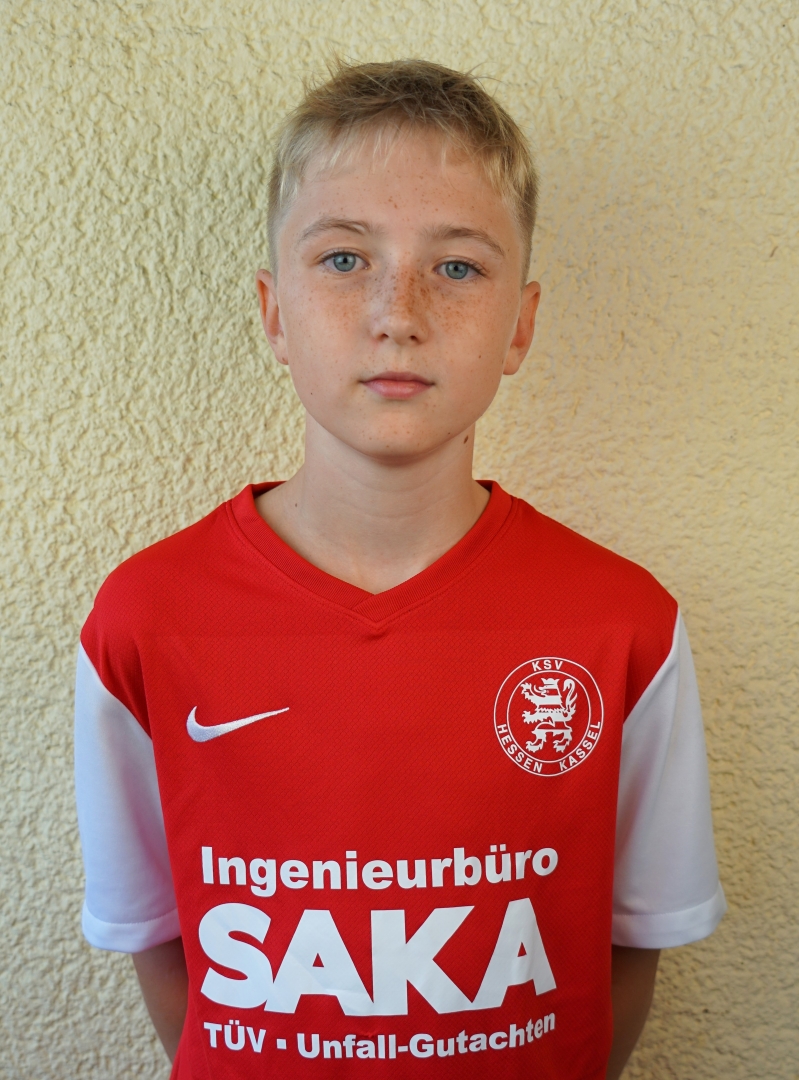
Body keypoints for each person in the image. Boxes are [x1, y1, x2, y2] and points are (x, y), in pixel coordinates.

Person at [74, 59, 725, 1080]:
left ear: (520, 325)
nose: (398, 311)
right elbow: (159, 944)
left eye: (456, 267)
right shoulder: (145, 621)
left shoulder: (621, 624)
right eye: (343, 258)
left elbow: (630, 946)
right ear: (273, 313)